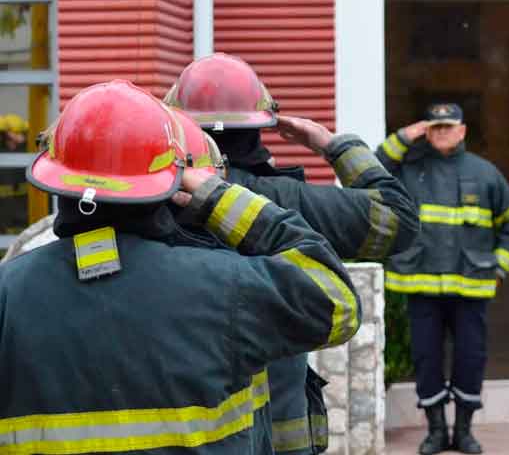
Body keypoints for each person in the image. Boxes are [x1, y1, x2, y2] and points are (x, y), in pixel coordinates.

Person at [2, 80, 360, 453]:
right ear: (173, 186)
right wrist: (219, 198)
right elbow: (337, 300)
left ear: (56, 180)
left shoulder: (8, 292)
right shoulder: (228, 286)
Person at [165, 52, 419, 455]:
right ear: (261, 126)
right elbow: (397, 219)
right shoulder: (286, 202)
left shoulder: (153, 203)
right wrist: (333, 145)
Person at [376, 103, 509, 455]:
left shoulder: (486, 173)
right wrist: (403, 137)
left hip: (470, 287)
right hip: (420, 285)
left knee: (470, 359)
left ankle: (464, 432)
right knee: (426, 360)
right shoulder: (408, 170)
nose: (443, 132)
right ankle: (435, 432)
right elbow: (369, 169)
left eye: (449, 127)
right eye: (436, 127)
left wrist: (499, 267)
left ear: (463, 131)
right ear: (426, 131)